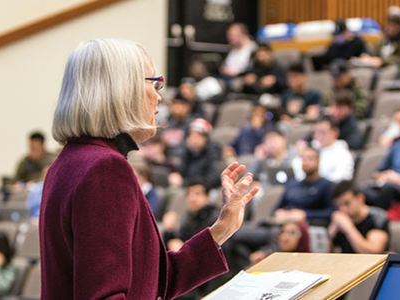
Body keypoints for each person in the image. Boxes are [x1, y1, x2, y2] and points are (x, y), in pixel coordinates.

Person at [41, 38, 260, 299]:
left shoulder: (68, 162)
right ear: (121, 89)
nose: (159, 96)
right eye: (153, 83)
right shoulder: (105, 169)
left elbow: (155, 281)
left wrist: (223, 228)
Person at [274, 147, 335, 226]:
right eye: (303, 159)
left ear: (318, 161)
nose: (305, 162)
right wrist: (280, 212)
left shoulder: (327, 185)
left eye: (310, 159)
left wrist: (306, 214)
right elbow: (277, 208)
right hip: (284, 224)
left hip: (309, 225)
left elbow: (331, 212)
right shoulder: (291, 184)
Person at [329, 180, 390, 254]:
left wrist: (348, 228)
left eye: (347, 203)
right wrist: (330, 236)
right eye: (339, 206)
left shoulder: (377, 217)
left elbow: (373, 253)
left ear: (360, 198)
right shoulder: (340, 219)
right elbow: (327, 254)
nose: (343, 209)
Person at [163, 180, 220, 252]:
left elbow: (211, 250)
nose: (192, 198)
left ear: (207, 197)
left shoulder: (216, 218)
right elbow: (181, 239)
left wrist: (184, 249)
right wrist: (170, 231)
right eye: (188, 194)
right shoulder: (190, 216)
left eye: (197, 193)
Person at [171, 118, 224, 190]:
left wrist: (185, 182)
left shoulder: (213, 152)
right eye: (191, 136)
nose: (194, 139)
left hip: (208, 190)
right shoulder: (187, 152)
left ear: (206, 138)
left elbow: (212, 178)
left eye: (198, 136)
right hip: (189, 187)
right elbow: (182, 172)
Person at [301, 116, 353, 183]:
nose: (319, 136)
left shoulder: (343, 155)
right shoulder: (311, 149)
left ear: (335, 132)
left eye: (323, 132)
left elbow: (342, 181)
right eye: (316, 132)